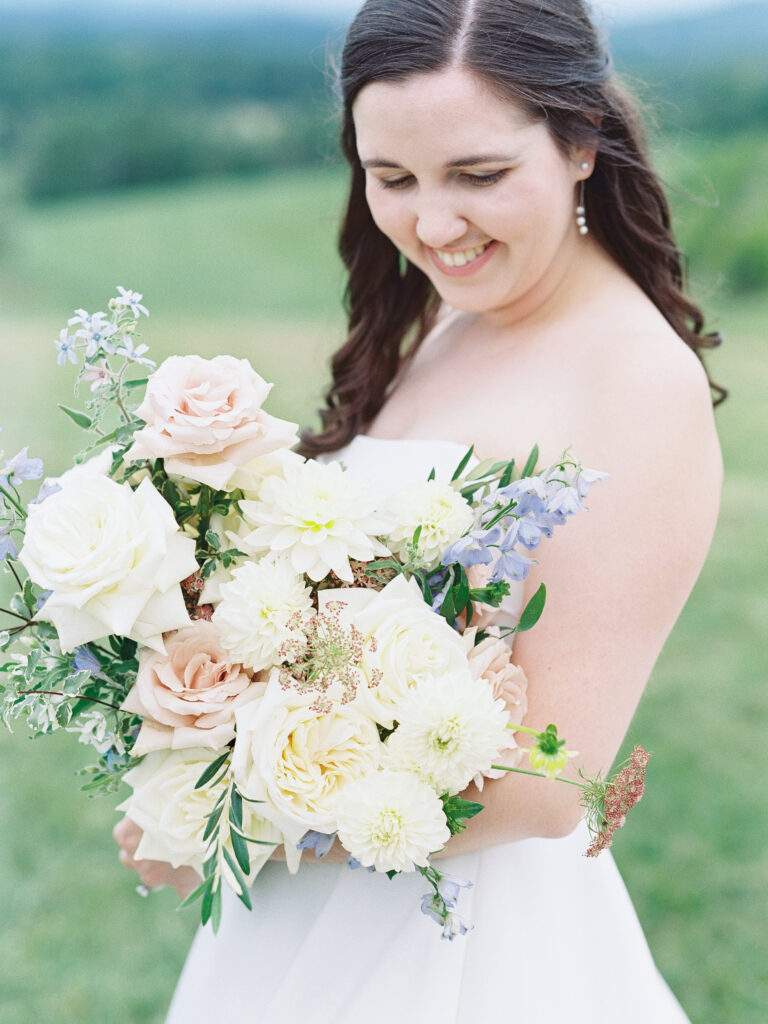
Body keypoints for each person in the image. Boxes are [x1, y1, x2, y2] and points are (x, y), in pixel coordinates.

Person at [114, 0, 724, 1020]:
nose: (434, 226)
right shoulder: (452, 317)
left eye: (479, 176)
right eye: (391, 178)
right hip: (307, 915)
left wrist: (234, 812)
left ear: (580, 141)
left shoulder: (633, 381)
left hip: (468, 947)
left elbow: (546, 780)